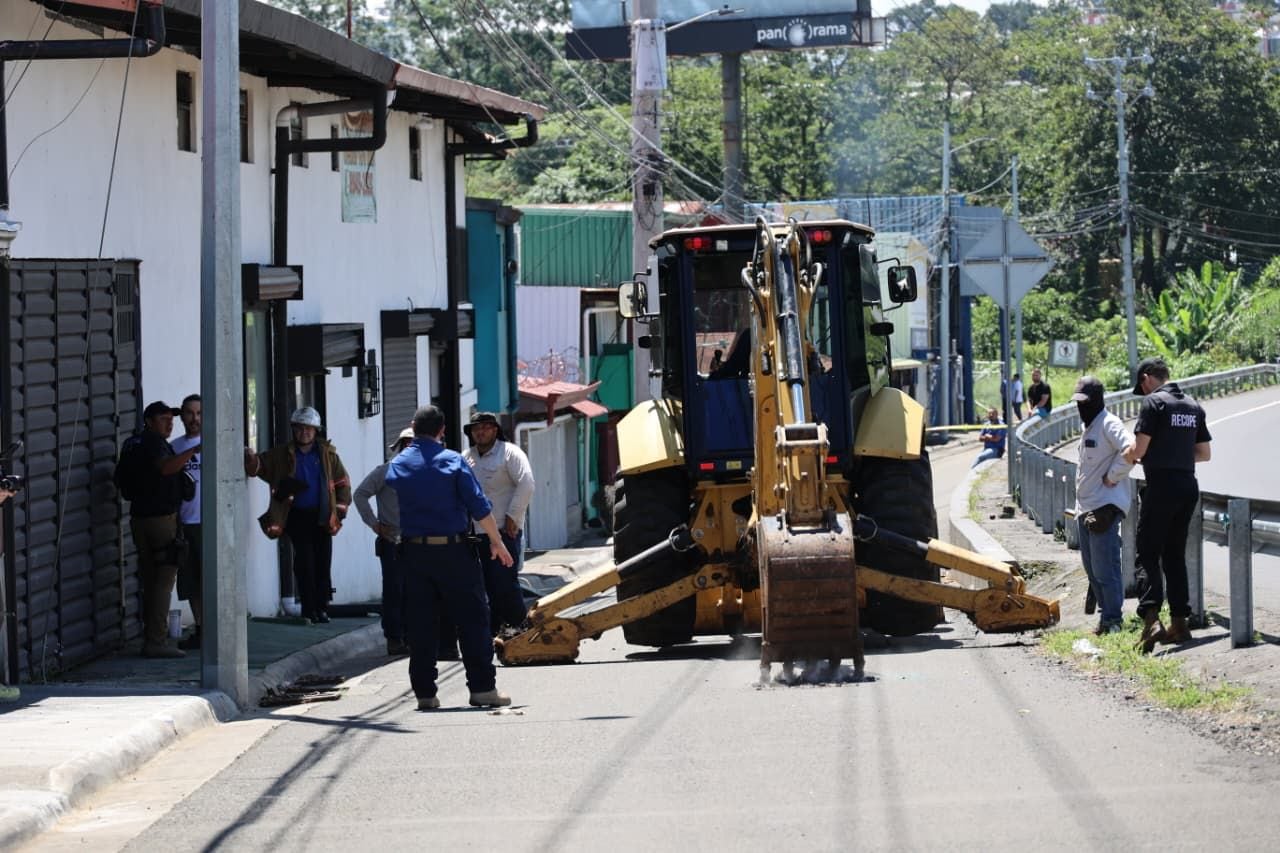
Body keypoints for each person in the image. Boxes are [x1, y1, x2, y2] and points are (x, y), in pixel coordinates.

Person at [386, 405, 514, 710]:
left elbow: (393, 481)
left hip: (414, 553)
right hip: (454, 552)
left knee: (420, 623)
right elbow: (479, 507)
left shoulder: (399, 464)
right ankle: (482, 689)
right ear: (442, 430)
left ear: (413, 427)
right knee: (472, 619)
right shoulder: (454, 461)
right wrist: (497, 542)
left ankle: (425, 694)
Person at [1124, 357, 1212, 653]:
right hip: (1187, 486)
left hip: (1161, 486)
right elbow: (1204, 453)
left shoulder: (1153, 403)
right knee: (1174, 554)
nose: (1143, 392)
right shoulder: (1192, 405)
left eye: (1142, 386)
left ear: (1147, 378)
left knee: (1147, 552)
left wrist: (1128, 455)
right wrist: (1175, 455)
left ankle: (1151, 619)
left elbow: (1139, 450)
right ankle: (1180, 624)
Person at [244, 406, 351, 624]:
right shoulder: (281, 455)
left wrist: (339, 512)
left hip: (322, 517)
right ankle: (309, 609)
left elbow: (343, 483)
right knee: (305, 564)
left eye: (309, 429)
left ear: (316, 431)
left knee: (323, 563)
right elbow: (258, 467)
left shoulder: (328, 455)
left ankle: (322, 608)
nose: (304, 433)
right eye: (300, 428)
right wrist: (250, 457)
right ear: (293, 429)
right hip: (296, 516)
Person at [131, 401, 201, 658]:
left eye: (171, 419)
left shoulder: (133, 444)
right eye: (163, 419)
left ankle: (152, 635)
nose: (169, 423)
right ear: (149, 421)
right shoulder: (155, 444)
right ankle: (157, 641)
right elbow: (166, 467)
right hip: (161, 520)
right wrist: (192, 452)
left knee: (151, 578)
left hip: (140, 518)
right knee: (164, 580)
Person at [1071, 376, 1135, 636]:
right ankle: (1105, 617)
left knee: (1105, 568)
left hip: (1104, 507)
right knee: (1091, 569)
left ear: (1097, 400)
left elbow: (1131, 449)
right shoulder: (1088, 426)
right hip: (1084, 507)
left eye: (1084, 402)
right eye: (1078, 402)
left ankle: (1113, 619)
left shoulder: (1109, 423)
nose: (1080, 407)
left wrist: (1113, 475)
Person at [463, 412, 535, 635]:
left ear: (495, 430)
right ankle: (494, 634)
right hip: (475, 534)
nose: (480, 432)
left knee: (504, 584)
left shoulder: (510, 453)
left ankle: (522, 631)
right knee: (484, 587)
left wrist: (513, 516)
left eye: (485, 427)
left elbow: (527, 483)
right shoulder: (465, 457)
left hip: (504, 531)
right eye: (476, 429)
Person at [354, 426, 415, 656]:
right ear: (399, 447)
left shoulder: (427, 472)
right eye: (406, 444)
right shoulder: (386, 471)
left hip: (419, 541)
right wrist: (375, 524)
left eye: (414, 444)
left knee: (416, 591)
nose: (410, 448)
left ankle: (413, 636)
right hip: (392, 540)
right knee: (394, 590)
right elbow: (360, 494)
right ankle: (395, 638)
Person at [169, 394, 203, 651]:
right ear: (181, 416)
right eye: (190, 413)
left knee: (210, 580)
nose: (195, 418)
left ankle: (216, 630)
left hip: (210, 523)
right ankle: (201, 628)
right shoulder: (174, 448)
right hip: (185, 523)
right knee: (191, 581)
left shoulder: (218, 443)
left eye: (199, 413)